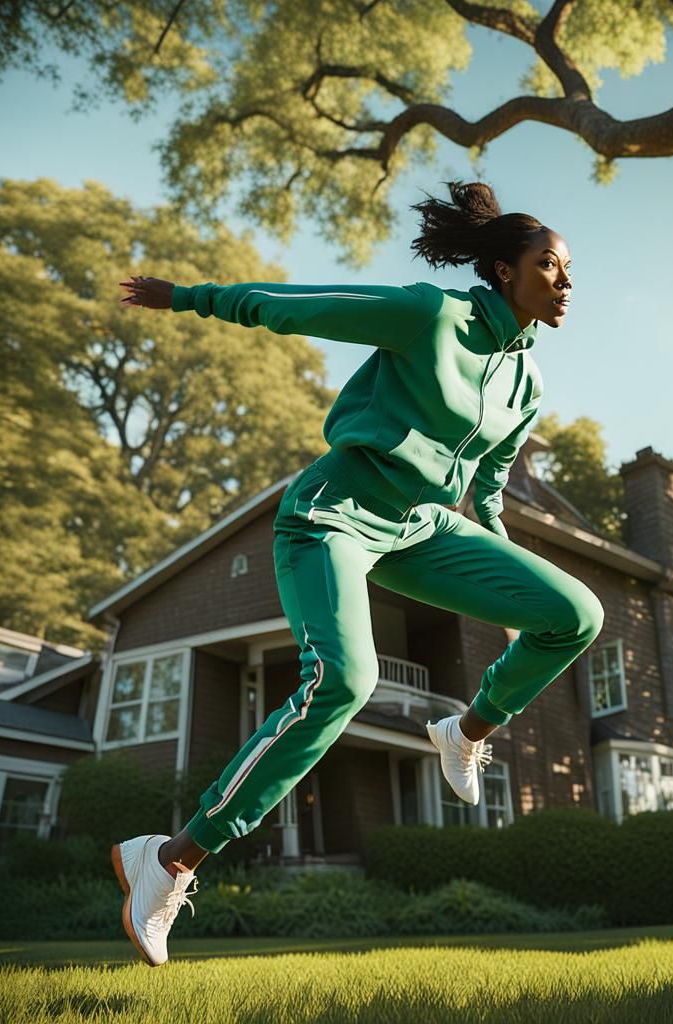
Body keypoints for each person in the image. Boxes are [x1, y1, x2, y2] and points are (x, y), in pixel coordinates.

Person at [109, 180, 604, 967]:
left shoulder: (527, 384)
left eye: (569, 267)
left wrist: (508, 580)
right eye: (550, 264)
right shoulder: (431, 316)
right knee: (345, 682)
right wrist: (191, 298)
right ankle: (169, 861)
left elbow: (490, 486)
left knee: (576, 613)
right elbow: (302, 307)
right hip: (333, 513)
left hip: (422, 527)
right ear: (505, 271)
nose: (566, 279)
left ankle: (465, 731)